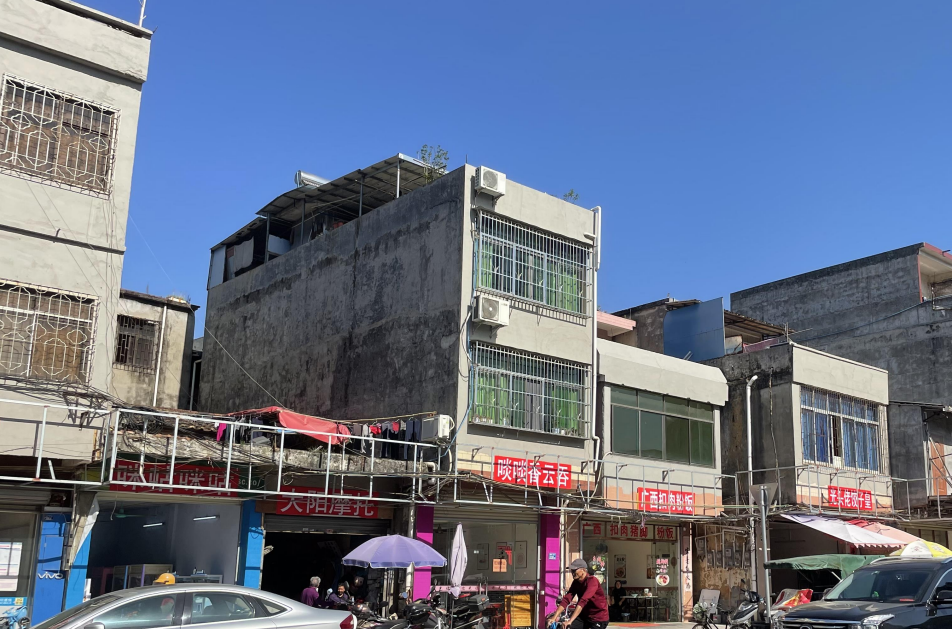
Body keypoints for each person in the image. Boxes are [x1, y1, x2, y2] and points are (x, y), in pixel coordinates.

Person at [547, 558, 609, 629]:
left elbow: (583, 601)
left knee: (569, 624)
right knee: (566, 627)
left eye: (574, 570)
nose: (572, 572)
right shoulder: (576, 582)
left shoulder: (592, 581)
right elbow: (566, 599)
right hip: (584, 616)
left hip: (598, 618)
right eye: (571, 570)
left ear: (583, 570)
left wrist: (570, 621)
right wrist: (554, 618)